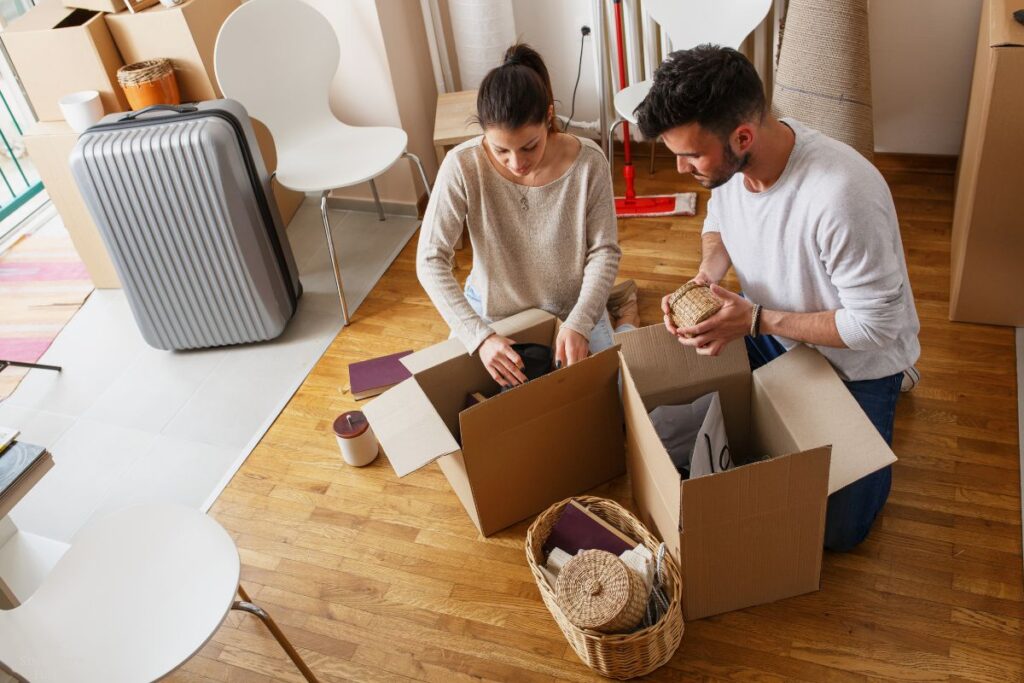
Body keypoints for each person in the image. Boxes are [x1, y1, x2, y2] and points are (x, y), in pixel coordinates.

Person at [634, 45, 921, 552]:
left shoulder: (841, 194)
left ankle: (900, 378)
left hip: (854, 362)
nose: (681, 168)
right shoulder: (727, 167)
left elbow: (877, 328)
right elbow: (719, 223)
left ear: (743, 136)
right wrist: (706, 278)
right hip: (770, 331)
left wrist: (757, 320)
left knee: (837, 533)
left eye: (690, 155)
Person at [417, 44, 637, 389]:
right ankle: (617, 306)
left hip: (571, 309)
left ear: (548, 117)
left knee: (615, 405)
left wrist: (580, 321)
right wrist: (480, 337)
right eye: (500, 150)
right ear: (483, 132)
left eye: (530, 146)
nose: (517, 163)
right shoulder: (462, 165)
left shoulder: (589, 162)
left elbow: (605, 252)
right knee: (463, 410)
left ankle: (625, 316)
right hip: (492, 310)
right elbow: (430, 260)